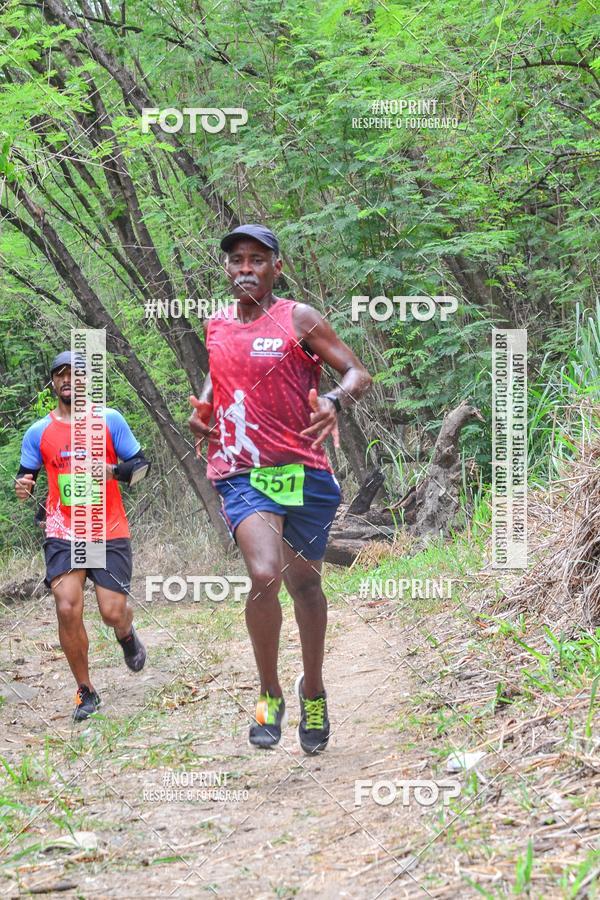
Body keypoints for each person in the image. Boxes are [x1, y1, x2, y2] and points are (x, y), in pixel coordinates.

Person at [189, 225, 372, 753]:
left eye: (257, 260)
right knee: (264, 574)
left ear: (276, 268)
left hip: (303, 470)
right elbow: (217, 374)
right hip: (241, 470)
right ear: (227, 270)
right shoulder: (217, 323)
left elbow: (357, 372)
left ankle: (312, 688)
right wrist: (205, 407)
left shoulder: (299, 318)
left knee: (305, 586)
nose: (245, 268)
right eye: (237, 260)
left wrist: (334, 400)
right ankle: (269, 692)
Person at [14, 352, 151, 722]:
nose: (67, 381)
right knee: (67, 606)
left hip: (107, 530)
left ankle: (126, 633)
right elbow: (25, 479)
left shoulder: (110, 420)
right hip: (63, 531)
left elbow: (142, 468)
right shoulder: (38, 432)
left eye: (75, 375)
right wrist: (23, 487)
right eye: (60, 375)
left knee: (111, 611)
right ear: (53, 384)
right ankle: (85, 691)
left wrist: (112, 472)